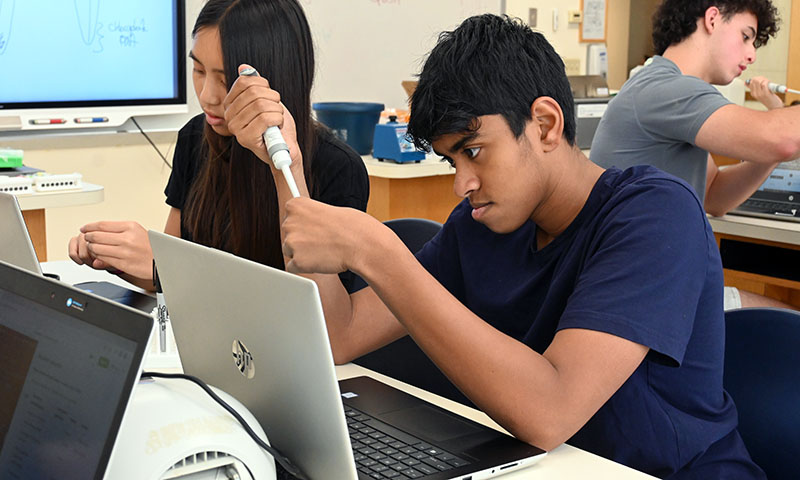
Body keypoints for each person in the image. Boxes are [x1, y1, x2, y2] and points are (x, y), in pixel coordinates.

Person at [280, 14, 764, 479]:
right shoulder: (480, 225)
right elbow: (341, 334)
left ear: (546, 124)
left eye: (473, 151)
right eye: (452, 162)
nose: (462, 184)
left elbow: (551, 412)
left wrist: (377, 253)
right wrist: (289, 167)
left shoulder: (655, 214)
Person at [67, 0, 369, 295]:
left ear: (275, 78)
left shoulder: (338, 168)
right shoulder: (195, 137)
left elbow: (321, 316)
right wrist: (118, 258)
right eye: (198, 71)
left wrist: (167, 267)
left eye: (225, 81)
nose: (207, 96)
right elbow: (167, 277)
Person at [590, 0, 799, 310]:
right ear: (712, 19)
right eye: (745, 36)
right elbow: (782, 138)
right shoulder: (667, 88)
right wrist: (778, 137)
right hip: (643, 296)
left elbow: (715, 196)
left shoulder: (662, 88)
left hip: (669, 286)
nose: (752, 54)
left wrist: (772, 147)